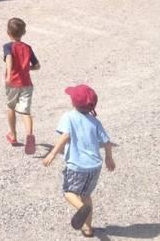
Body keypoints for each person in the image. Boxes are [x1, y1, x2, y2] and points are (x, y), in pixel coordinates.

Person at [42, 84, 117, 237]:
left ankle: (82, 208)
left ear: (73, 102)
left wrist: (52, 153)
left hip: (77, 166)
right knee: (86, 194)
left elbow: (66, 136)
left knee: (69, 192)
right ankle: (88, 228)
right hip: (95, 166)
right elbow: (107, 142)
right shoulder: (95, 122)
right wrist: (109, 158)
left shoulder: (68, 117)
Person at [4, 17, 40, 153]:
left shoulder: (8, 47)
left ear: (8, 32)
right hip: (26, 83)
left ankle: (13, 135)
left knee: (11, 107)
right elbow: (37, 66)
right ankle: (30, 134)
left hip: (13, 82)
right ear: (23, 32)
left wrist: (8, 75)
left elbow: (9, 59)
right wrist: (27, 68)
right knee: (25, 111)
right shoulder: (28, 48)